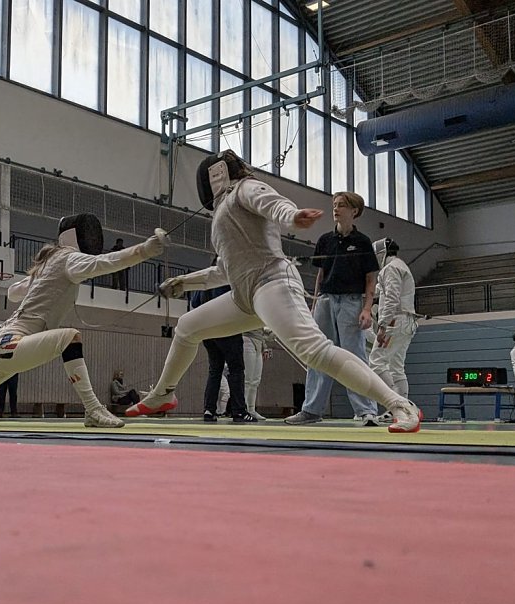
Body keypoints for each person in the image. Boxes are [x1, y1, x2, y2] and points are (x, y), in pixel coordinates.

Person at [125, 150, 422, 433]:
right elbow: (227, 271)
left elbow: (272, 203)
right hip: (245, 296)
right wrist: (183, 282)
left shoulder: (244, 189)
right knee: (188, 327)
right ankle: (163, 394)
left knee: (316, 352)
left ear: (216, 174)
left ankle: (400, 405)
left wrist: (292, 216)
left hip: (273, 283)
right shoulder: (221, 216)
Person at [0, 213, 167, 428]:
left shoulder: (50, 262)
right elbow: (106, 262)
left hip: (9, 341)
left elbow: (14, 292)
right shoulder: (68, 258)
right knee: (70, 337)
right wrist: (144, 250)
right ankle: (92, 409)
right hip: (11, 342)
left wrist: (37, 284)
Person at [286, 191, 381, 427]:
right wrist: (315, 304)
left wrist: (367, 309)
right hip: (326, 301)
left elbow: (371, 279)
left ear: (354, 211)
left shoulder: (362, 242)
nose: (336, 209)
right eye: (334, 205)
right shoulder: (325, 240)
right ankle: (311, 409)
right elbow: (321, 274)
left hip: (351, 302)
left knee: (354, 356)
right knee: (318, 355)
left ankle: (366, 411)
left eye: (341, 206)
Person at [368, 238, 418, 423]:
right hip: (407, 323)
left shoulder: (391, 268)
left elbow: (391, 298)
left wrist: (383, 325)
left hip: (394, 322)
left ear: (381, 253)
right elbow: (381, 290)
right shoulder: (400, 266)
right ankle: (403, 409)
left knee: (376, 362)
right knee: (396, 367)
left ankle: (397, 406)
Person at [190, 280, 250, 423]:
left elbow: (194, 302)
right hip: (227, 328)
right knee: (236, 369)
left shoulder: (206, 279)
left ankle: (209, 410)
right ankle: (239, 411)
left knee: (215, 370)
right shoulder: (229, 279)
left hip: (208, 330)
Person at [243, 328, 273, 421]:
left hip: (259, 342)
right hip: (247, 339)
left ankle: (251, 410)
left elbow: (260, 330)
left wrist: (264, 347)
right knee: (247, 379)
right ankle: (244, 410)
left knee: (256, 380)